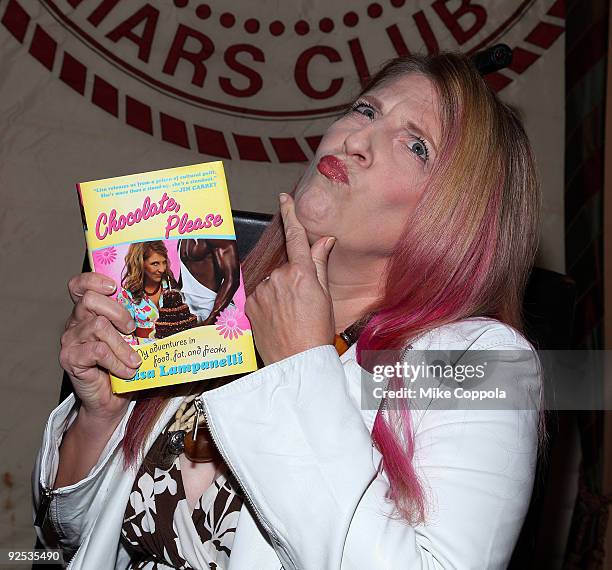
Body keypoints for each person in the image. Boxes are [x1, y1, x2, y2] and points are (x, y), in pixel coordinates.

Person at [34, 53, 543, 569]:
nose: (356, 140)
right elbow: (68, 535)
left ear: (460, 218)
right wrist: (100, 417)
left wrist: (301, 365)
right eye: (366, 110)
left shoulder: (485, 361)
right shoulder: (222, 312)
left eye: (416, 146)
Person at [117, 241, 176, 344]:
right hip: (145, 354)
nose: (162, 269)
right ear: (140, 264)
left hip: (175, 349)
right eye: (155, 263)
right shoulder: (127, 294)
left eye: (164, 262)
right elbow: (123, 335)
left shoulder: (171, 287)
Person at [178, 238, 240, 325]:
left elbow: (232, 280)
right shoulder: (182, 237)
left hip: (215, 314)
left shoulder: (217, 235)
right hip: (192, 314)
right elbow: (184, 279)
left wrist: (211, 319)